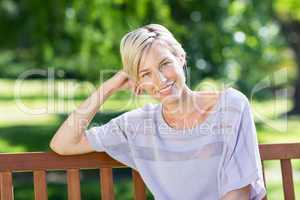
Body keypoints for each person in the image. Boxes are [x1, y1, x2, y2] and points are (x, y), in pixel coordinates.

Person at [50, 24, 266, 200]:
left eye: (164, 64)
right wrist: (110, 86)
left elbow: (238, 193)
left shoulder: (231, 106)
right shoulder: (138, 126)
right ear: (137, 82)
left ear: (180, 57)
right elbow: (63, 143)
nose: (160, 80)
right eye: (145, 74)